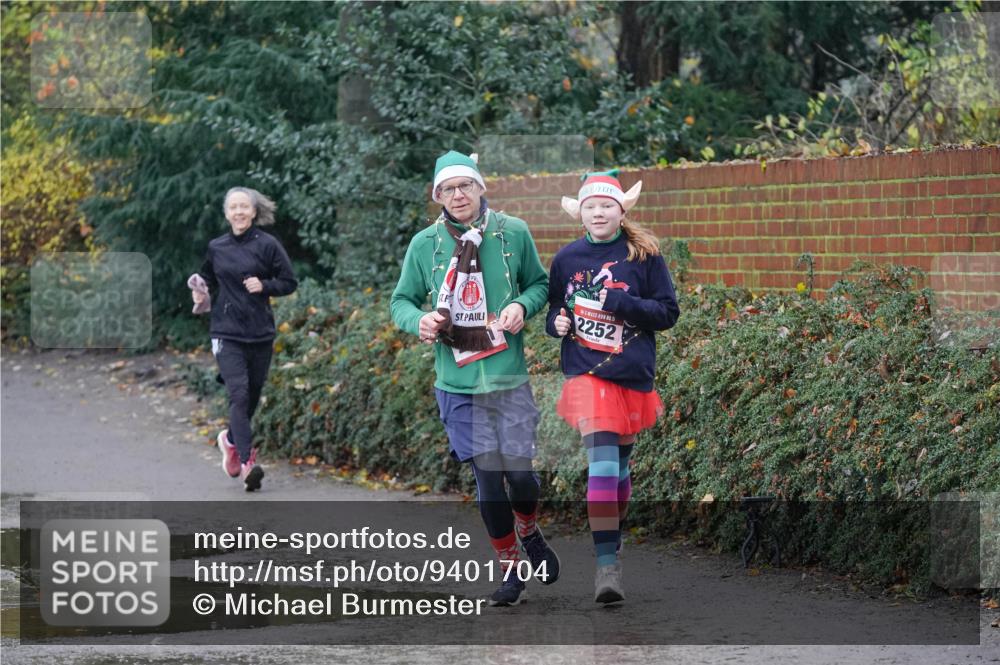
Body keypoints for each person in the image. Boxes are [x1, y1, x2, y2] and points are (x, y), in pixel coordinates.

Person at [391, 150, 560, 606]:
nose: (458, 194)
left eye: (466, 185)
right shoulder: (424, 244)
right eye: (448, 188)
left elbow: (540, 284)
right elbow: (400, 301)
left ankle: (528, 528)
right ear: (437, 195)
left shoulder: (513, 232)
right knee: (488, 477)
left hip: (508, 378)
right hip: (457, 382)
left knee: (521, 477)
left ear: (481, 187)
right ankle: (510, 570)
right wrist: (419, 321)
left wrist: (521, 306)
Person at [546, 169, 680, 604]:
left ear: (621, 211)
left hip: (630, 375)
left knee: (620, 471)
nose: (599, 212)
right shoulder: (566, 258)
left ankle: (612, 541)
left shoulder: (645, 255)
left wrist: (620, 302)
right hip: (586, 375)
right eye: (591, 206)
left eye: (607, 205)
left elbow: (668, 312)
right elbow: (554, 310)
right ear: (580, 213)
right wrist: (557, 324)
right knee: (602, 467)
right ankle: (607, 567)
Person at [189, 187, 298, 492]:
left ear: (253, 212)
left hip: (260, 332)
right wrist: (200, 290)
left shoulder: (268, 245)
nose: (238, 212)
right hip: (226, 332)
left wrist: (263, 285)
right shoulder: (217, 247)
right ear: (226, 213)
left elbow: (289, 282)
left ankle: (231, 442)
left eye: (244, 207)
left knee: (250, 396)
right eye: (233, 207)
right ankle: (249, 463)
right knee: (238, 394)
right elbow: (206, 278)